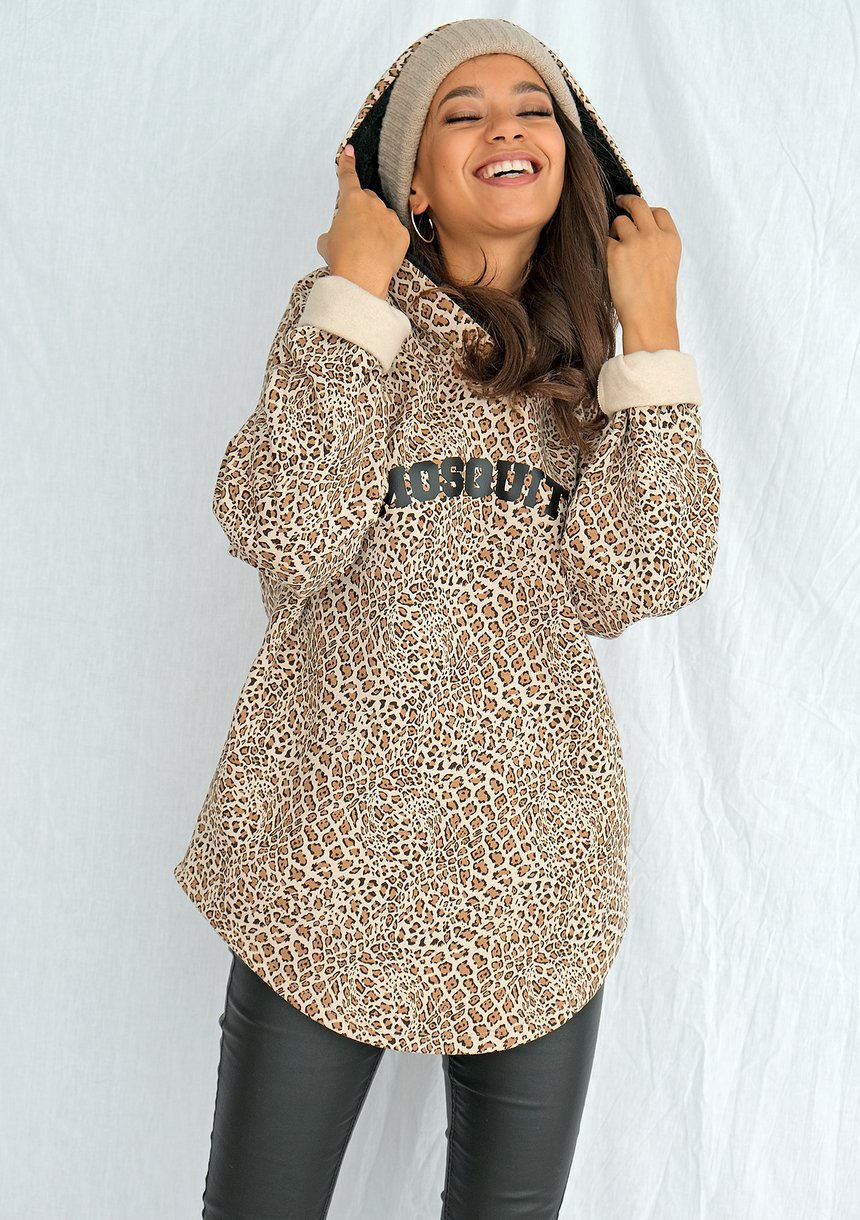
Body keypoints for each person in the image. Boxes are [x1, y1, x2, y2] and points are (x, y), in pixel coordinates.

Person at [173, 17, 721, 1219]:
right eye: (461, 113)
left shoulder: (591, 364)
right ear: (410, 182)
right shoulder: (345, 321)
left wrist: (651, 331)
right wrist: (353, 288)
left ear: (569, 158)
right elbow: (285, 530)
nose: (505, 127)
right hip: (325, 862)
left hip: (534, 875)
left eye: (531, 108)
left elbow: (635, 576)